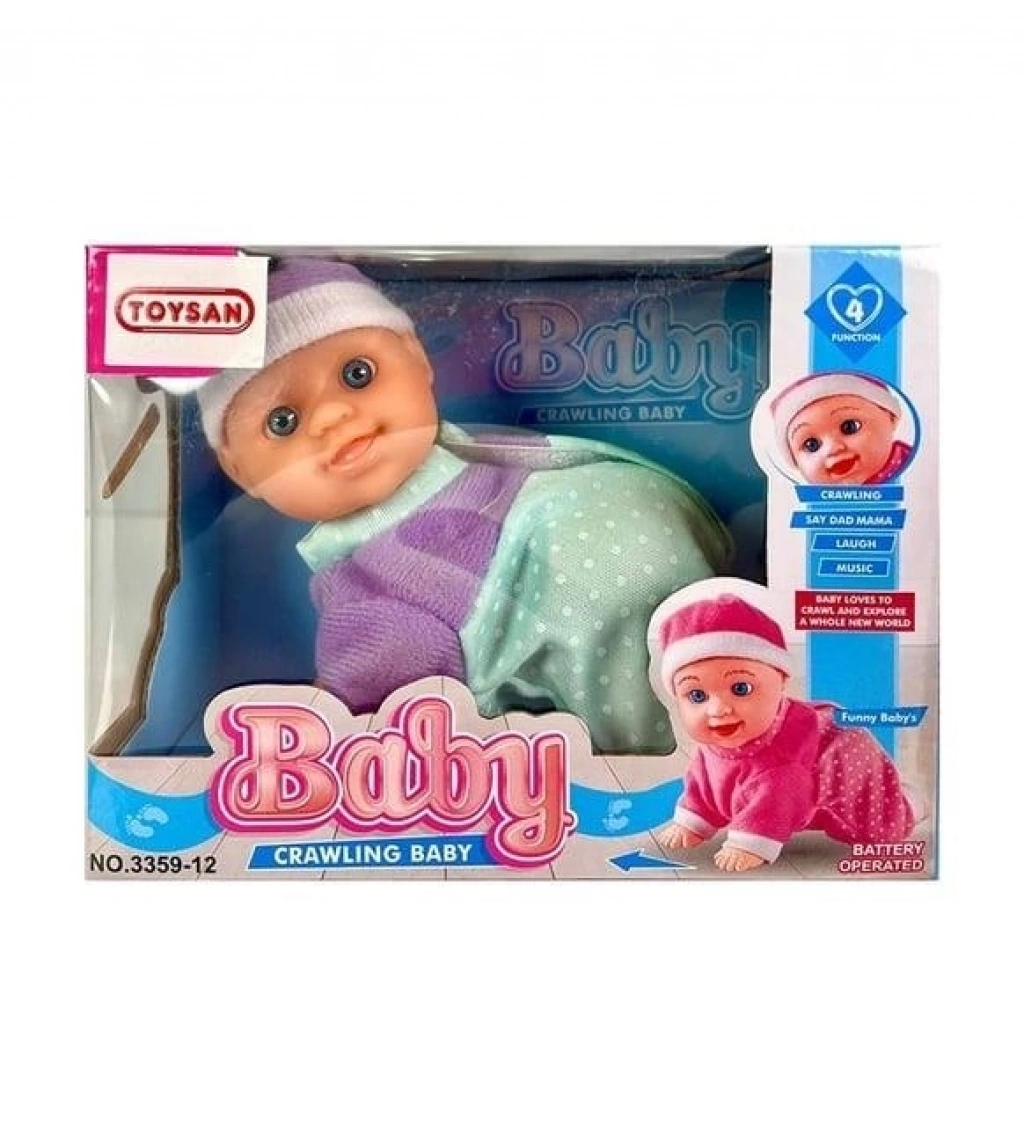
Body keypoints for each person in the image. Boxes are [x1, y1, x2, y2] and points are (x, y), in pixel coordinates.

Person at [197, 257, 731, 753]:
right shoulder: (480, 461)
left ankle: (666, 752)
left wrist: (318, 710)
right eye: (283, 422)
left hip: (619, 622)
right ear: (240, 471)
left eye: (357, 374)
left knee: (647, 723)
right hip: (662, 543)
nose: (333, 416)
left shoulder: (375, 588)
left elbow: (358, 700)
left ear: (417, 359)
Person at [649, 584, 921, 869]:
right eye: (697, 696)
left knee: (876, 831)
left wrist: (750, 843)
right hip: (798, 787)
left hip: (845, 765)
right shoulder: (714, 742)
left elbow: (775, 800)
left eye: (741, 689)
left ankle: (909, 803)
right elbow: (705, 784)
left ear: (781, 682)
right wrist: (694, 821)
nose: (717, 710)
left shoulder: (784, 760)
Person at [772, 372, 912, 485]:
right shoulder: (810, 504)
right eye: (811, 445)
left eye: (850, 427)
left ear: (890, 417)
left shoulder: (914, 468)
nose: (833, 448)